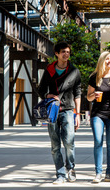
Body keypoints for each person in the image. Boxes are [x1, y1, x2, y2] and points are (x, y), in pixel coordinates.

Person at [37, 41, 81, 184]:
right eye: (63, 52)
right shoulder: (49, 70)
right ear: (57, 53)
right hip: (53, 112)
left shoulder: (74, 71)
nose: (66, 54)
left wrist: (78, 114)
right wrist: (47, 95)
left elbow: (78, 93)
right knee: (55, 145)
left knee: (69, 142)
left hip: (68, 110)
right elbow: (41, 89)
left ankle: (71, 168)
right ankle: (60, 174)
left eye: (68, 52)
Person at [87, 51, 110, 183]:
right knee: (98, 141)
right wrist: (94, 96)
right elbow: (88, 96)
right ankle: (98, 173)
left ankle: (108, 173)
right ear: (102, 61)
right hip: (97, 114)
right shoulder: (94, 77)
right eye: (107, 59)